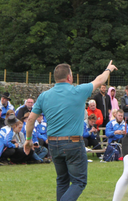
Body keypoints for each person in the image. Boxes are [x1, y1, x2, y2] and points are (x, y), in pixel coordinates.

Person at [24, 60, 118, 201]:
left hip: (54, 144)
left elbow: (30, 120)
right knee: (79, 182)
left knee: (62, 181)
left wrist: (28, 140)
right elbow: (100, 80)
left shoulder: (44, 96)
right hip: (73, 143)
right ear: (69, 77)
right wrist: (108, 69)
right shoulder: (78, 91)